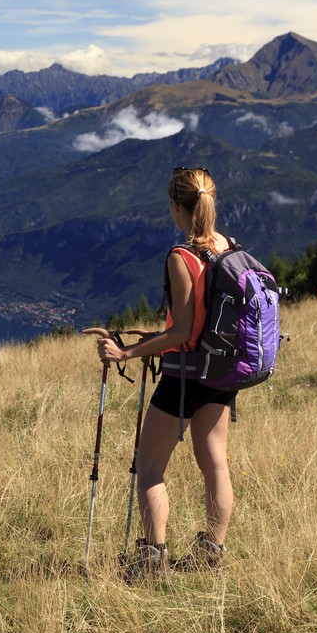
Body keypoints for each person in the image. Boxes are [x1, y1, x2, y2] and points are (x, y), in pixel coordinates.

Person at [95, 166, 234, 579]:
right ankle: (212, 552)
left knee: (150, 464)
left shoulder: (182, 256)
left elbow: (183, 331)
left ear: (176, 205)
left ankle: (153, 560)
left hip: (185, 375)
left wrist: (127, 352)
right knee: (215, 464)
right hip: (221, 370)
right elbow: (202, 322)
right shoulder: (227, 246)